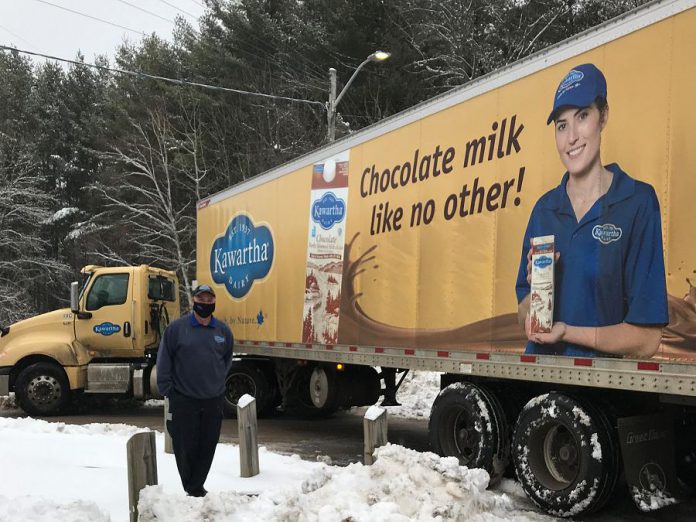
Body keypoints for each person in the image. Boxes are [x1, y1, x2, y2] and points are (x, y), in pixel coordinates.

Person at [515, 63, 668, 358]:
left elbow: (647, 340)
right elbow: (524, 318)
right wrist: (535, 296)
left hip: (600, 391)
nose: (571, 137)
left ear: (604, 116)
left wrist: (568, 332)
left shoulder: (637, 202)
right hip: (539, 386)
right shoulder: (544, 210)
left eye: (582, 116)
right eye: (561, 125)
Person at [157, 284, 234, 497]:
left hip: (213, 399)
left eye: (209, 300)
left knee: (208, 445)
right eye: (202, 299)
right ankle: (192, 487)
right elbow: (164, 360)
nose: (205, 304)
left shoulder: (222, 331)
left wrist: (216, 381)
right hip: (184, 398)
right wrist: (168, 390)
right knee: (184, 445)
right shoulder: (177, 329)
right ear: (193, 301)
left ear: (214, 303)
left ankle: (195, 487)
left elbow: (226, 359)